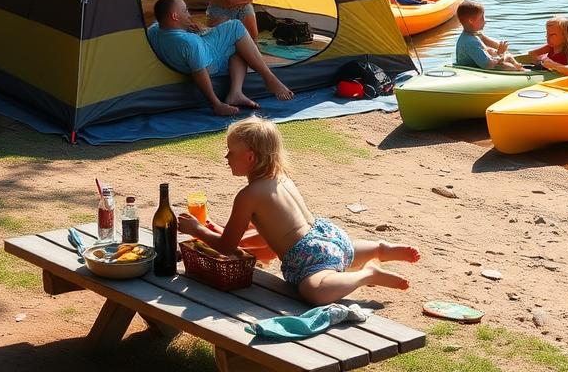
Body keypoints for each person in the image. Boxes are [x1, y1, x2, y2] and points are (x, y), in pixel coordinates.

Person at [178, 116, 421, 305]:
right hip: (328, 235)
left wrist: (196, 229)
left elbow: (226, 247)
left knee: (313, 291)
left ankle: (367, 274)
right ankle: (379, 248)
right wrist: (218, 229)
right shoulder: (280, 177)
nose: (226, 157)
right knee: (339, 254)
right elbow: (267, 227)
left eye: (231, 151)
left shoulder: (248, 195)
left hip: (307, 255)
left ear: (250, 158)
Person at [147, 0, 293, 116]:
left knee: (241, 44)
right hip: (210, 60)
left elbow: (161, 25)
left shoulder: (153, 31)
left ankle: (235, 93)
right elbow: (200, 72)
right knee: (236, 27)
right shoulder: (189, 43)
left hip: (196, 47)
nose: (189, 14)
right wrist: (216, 104)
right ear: (174, 16)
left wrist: (188, 28)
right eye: (185, 11)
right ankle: (269, 78)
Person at [455, 0, 524, 71]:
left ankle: (520, 69)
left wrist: (498, 52)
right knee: (507, 66)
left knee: (508, 57)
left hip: (479, 66)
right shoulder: (471, 42)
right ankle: (520, 72)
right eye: (482, 18)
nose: (485, 21)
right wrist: (500, 54)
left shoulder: (470, 35)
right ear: (471, 21)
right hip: (475, 71)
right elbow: (487, 65)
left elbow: (488, 50)